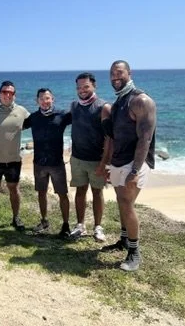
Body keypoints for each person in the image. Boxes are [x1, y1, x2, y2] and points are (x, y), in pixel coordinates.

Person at [101, 60, 156, 272]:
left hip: (134, 163)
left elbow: (145, 140)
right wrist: (108, 164)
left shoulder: (140, 100)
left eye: (119, 72)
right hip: (118, 161)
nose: (115, 76)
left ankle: (134, 252)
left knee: (126, 203)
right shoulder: (119, 103)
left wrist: (134, 171)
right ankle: (124, 240)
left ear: (129, 73)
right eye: (112, 73)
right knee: (121, 201)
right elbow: (115, 137)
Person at [69, 72, 112, 242]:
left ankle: (98, 227)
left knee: (97, 192)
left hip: (96, 160)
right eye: (79, 87)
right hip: (77, 158)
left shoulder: (103, 107)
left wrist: (105, 163)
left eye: (86, 86)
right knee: (80, 191)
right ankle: (80, 225)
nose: (82, 90)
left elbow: (110, 138)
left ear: (94, 86)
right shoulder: (74, 106)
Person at [23, 88, 71, 237]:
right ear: (37, 101)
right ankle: (44, 221)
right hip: (39, 163)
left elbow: (82, 123)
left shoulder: (62, 115)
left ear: (53, 99)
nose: (45, 101)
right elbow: (14, 126)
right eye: (42, 99)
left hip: (57, 163)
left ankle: (66, 225)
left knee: (62, 194)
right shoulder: (34, 117)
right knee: (41, 193)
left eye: (48, 98)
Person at [0, 80, 30, 231]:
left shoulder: (22, 111)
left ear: (14, 95)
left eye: (11, 92)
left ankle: (16, 218)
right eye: (4, 92)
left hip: (13, 160)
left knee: (14, 189)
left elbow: (38, 123)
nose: (7, 95)